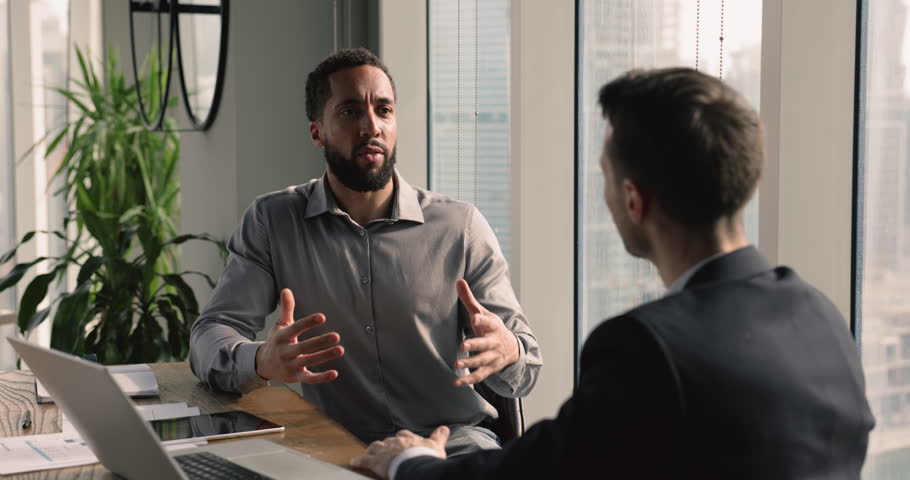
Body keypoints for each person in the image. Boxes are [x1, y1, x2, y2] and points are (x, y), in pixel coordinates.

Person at [350, 67, 875, 479]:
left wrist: (409, 464)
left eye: (605, 175)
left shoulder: (647, 348)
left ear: (633, 199)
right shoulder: (819, 316)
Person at [189, 48, 542, 454]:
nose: (371, 126)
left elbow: (527, 367)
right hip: (332, 449)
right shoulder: (274, 221)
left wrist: (509, 348)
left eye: (384, 110)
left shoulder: (460, 227)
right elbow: (209, 335)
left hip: (451, 445)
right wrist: (260, 360)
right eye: (350, 112)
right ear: (317, 132)